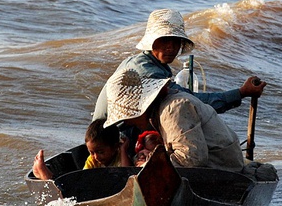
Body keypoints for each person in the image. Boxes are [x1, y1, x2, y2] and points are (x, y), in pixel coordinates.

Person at [92, 9, 266, 122]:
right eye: (165, 41)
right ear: (152, 42)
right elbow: (192, 102)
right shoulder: (146, 70)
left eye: (175, 42)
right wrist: (241, 93)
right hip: (112, 138)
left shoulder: (153, 65)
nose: (171, 47)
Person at [103, 68, 247, 172]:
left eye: (128, 118)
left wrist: (147, 168)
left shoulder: (173, 109)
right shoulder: (163, 109)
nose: (128, 122)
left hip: (223, 171)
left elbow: (192, 159)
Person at [33, 118, 131, 181]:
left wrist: (123, 150)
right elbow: (83, 179)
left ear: (115, 147)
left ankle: (46, 176)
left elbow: (127, 175)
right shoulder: (92, 160)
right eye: (91, 152)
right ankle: (47, 176)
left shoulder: (121, 157)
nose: (96, 156)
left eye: (101, 152)